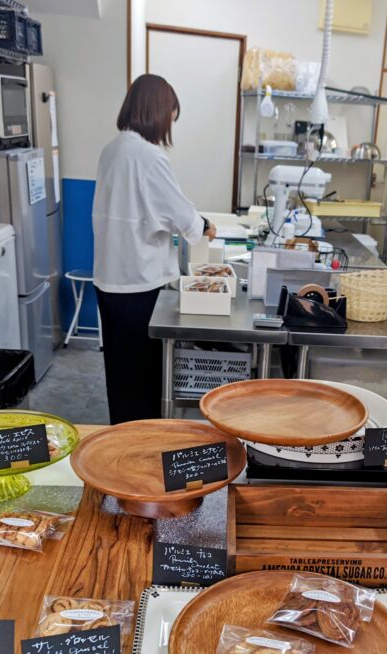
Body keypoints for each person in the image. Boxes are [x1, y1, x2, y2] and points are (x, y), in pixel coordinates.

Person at [92, 74, 215, 424]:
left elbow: (141, 209)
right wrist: (205, 226)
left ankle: (122, 437)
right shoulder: (149, 157)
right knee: (144, 380)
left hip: (109, 282)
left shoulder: (111, 150)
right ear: (157, 113)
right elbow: (180, 215)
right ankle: (144, 444)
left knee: (120, 375)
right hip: (140, 285)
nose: (168, 126)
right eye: (170, 117)